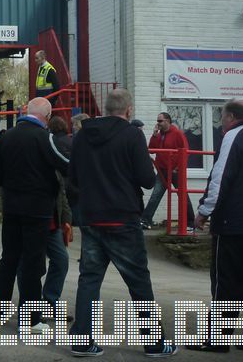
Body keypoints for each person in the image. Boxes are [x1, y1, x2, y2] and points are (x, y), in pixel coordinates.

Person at [68, 89, 176, 357]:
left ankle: (82, 341)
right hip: (123, 218)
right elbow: (147, 179)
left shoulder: (83, 135)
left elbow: (73, 177)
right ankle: (154, 343)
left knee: (89, 279)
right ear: (128, 110)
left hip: (92, 217)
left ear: (105, 108)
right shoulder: (132, 135)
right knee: (138, 281)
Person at [0, 97, 69, 334]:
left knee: (8, 259)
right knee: (33, 263)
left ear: (26, 113)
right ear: (47, 116)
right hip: (38, 210)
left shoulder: (6, 137)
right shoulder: (46, 138)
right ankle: (30, 319)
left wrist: (11, 185)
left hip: (11, 207)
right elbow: (66, 165)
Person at [188, 99, 243, 353]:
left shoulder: (234, 136)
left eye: (221, 117)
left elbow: (221, 177)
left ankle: (219, 339)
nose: (220, 123)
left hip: (233, 223)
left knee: (227, 281)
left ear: (231, 117)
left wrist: (203, 211)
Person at [15, 114, 74, 320]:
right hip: (32, 220)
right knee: (29, 265)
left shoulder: (52, 156)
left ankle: (50, 302)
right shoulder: (29, 160)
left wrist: (66, 218)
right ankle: (30, 310)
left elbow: (61, 191)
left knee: (61, 261)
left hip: (52, 222)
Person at [141, 112, 194, 231]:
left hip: (175, 171)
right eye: (157, 121)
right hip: (162, 170)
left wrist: (178, 168)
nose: (158, 123)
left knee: (182, 195)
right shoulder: (159, 135)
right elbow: (152, 150)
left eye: (160, 121)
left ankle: (190, 223)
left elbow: (185, 151)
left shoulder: (177, 134)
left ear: (168, 121)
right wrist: (154, 135)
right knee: (155, 195)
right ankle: (145, 220)